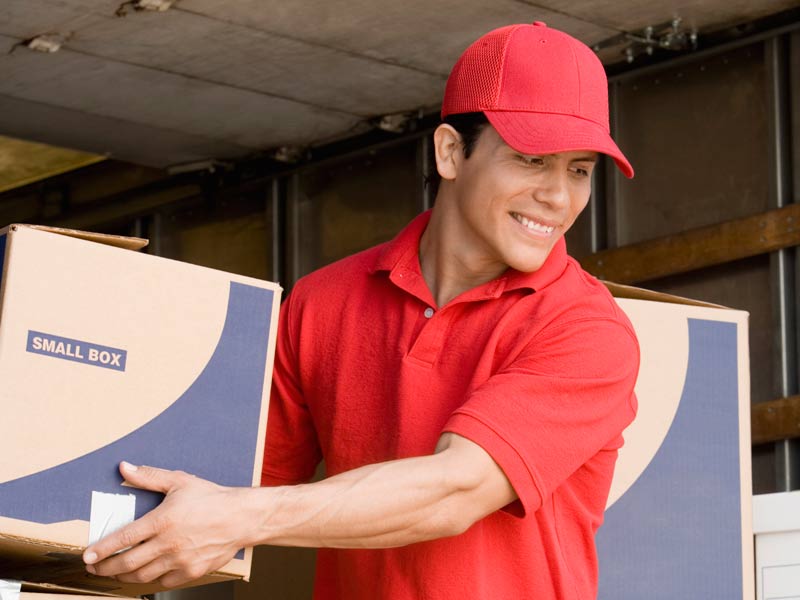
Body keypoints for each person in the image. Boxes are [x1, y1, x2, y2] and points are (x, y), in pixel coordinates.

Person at [83, 22, 639, 599]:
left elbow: (455, 490)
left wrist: (239, 518)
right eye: (531, 160)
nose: (559, 196)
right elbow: (233, 482)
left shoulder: (587, 330)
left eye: (579, 170)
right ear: (451, 151)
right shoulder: (324, 300)